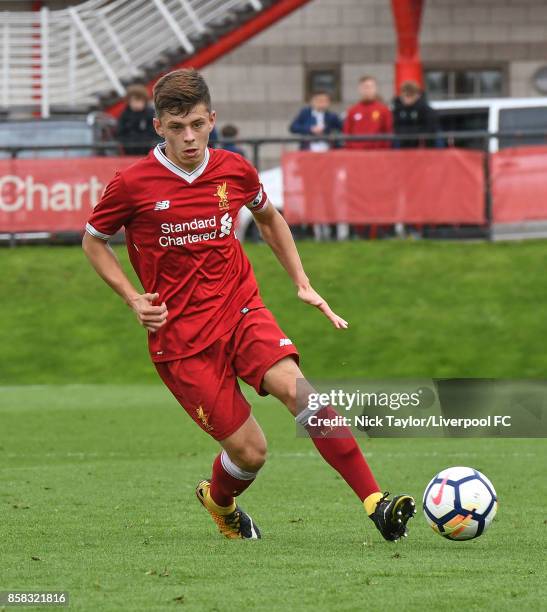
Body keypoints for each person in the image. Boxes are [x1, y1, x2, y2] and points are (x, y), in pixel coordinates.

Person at [82, 68, 415, 542]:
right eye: (177, 128)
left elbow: (269, 218)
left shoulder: (234, 168)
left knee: (302, 395)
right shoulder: (132, 184)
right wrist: (133, 298)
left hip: (241, 309)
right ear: (158, 127)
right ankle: (220, 503)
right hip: (182, 341)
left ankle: (375, 503)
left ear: (212, 118)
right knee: (251, 452)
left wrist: (302, 282)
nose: (190, 138)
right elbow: (94, 241)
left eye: (197, 124)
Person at [343, 76, 392, 150]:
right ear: (359, 89)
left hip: (378, 153)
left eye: (371, 87)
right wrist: (351, 150)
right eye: (365, 87)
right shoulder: (352, 110)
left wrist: (384, 150)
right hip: (357, 153)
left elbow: (388, 131)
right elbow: (347, 132)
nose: (368, 90)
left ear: (375, 89)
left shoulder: (384, 110)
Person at [392, 80, 442, 148]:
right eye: (405, 95)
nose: (407, 98)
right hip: (403, 146)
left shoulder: (426, 110)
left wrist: (410, 133)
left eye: (410, 95)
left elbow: (430, 128)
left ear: (417, 95)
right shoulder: (397, 109)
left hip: (423, 147)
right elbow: (395, 126)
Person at [116, 84, 159, 156]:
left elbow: (155, 133)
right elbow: (120, 133)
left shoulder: (151, 114)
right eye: (133, 101)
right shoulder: (124, 115)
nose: (136, 104)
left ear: (144, 101)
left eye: (138, 100)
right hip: (129, 149)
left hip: (148, 149)